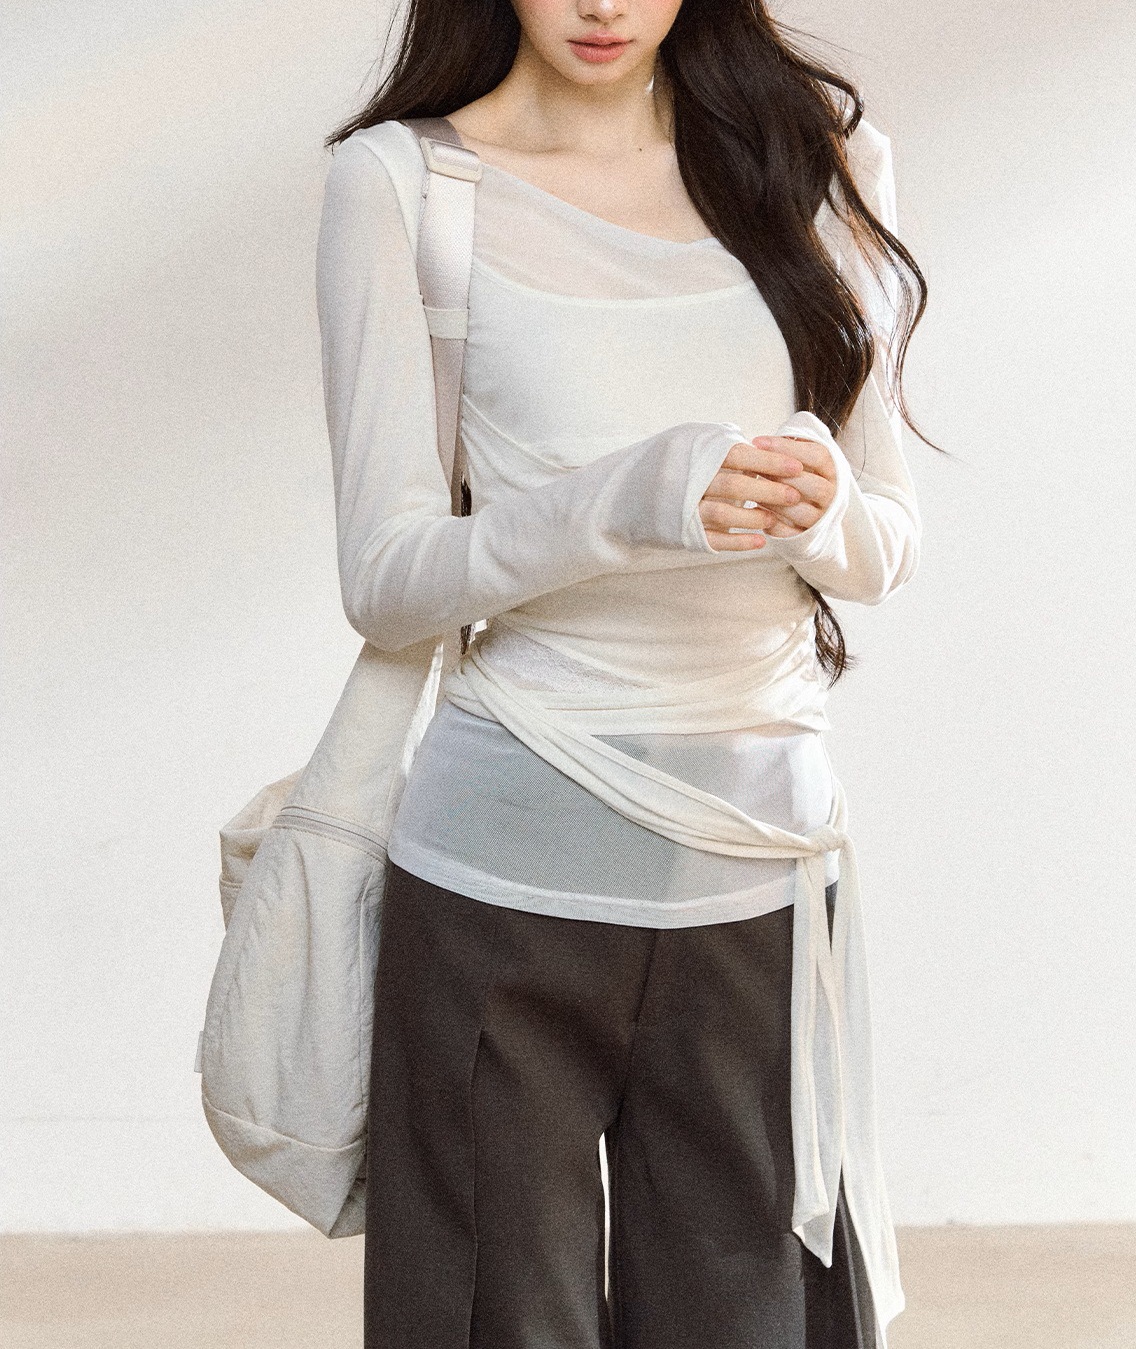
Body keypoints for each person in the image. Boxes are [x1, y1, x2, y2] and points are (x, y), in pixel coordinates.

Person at [315, 1, 934, 1346]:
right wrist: (627, 500)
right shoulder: (408, 186)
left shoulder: (818, 160)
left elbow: (886, 543)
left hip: (758, 872)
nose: (602, 4)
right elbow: (388, 575)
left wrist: (820, 504)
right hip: (498, 882)